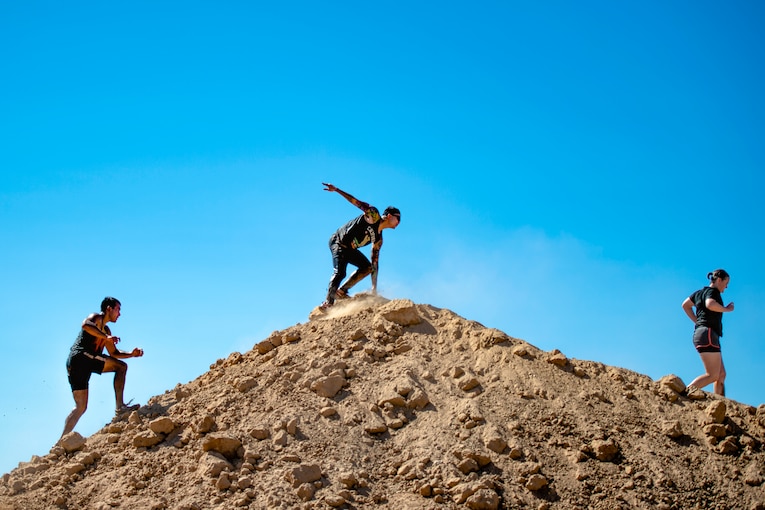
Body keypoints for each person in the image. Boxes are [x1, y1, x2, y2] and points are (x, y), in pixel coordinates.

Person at [62, 297, 144, 437]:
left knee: (81, 407)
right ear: (109, 309)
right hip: (81, 357)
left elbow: (114, 353)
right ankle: (120, 408)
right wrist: (106, 337)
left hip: (82, 363)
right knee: (121, 367)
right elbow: (85, 325)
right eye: (117, 309)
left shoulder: (106, 331)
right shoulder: (96, 318)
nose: (119, 314)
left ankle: (61, 441)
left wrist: (131, 354)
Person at [319, 183, 401, 310]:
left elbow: (374, 263)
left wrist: (374, 287)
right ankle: (328, 303)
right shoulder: (374, 216)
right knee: (340, 272)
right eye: (398, 219)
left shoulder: (378, 239)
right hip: (338, 242)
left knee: (367, 267)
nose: (399, 223)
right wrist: (336, 190)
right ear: (389, 216)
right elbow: (356, 202)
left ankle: (341, 291)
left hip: (350, 249)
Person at [681, 269, 735, 397]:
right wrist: (727, 309)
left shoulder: (700, 293)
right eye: (726, 283)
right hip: (708, 333)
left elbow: (685, 305)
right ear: (719, 280)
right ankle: (683, 394)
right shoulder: (713, 292)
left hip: (705, 333)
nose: (726, 287)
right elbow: (710, 304)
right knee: (712, 375)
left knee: (721, 374)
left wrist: (697, 321)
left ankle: (720, 403)